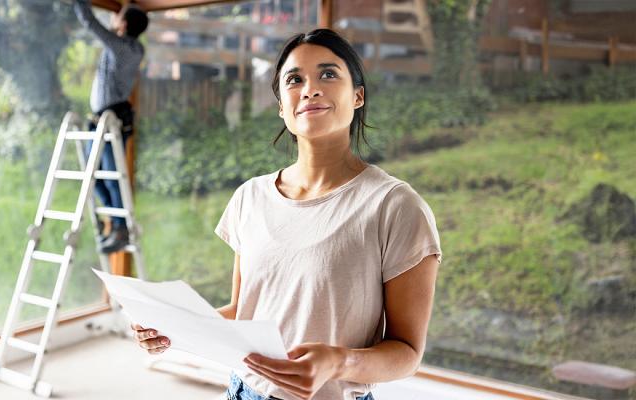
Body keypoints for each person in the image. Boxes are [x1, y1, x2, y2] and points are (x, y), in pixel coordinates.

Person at [131, 29, 442, 400]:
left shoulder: (395, 205)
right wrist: (174, 327)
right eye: (294, 80)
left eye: (328, 74)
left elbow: (407, 352)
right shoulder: (250, 197)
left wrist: (338, 363)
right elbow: (245, 312)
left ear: (357, 95)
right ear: (281, 106)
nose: (310, 89)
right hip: (242, 391)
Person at [73, 0, 148, 253]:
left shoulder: (122, 46)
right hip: (102, 119)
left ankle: (120, 228)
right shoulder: (132, 47)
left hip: (111, 120)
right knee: (92, 177)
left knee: (112, 176)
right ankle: (116, 224)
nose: (114, 19)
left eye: (118, 16)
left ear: (124, 24)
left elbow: (90, 23)